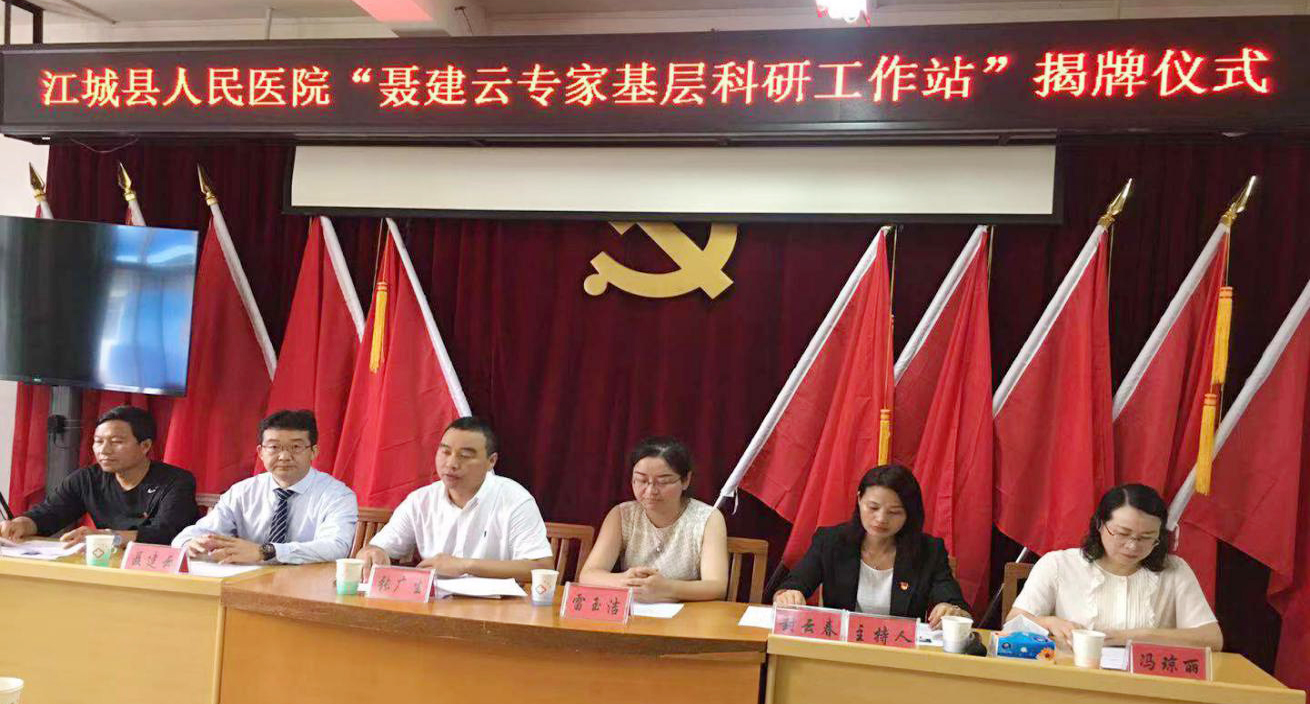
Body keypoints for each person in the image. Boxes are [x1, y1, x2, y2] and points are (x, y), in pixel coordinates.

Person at [1008, 483, 1223, 651]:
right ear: (1100, 525)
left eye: (1146, 537)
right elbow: (1013, 623)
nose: (1132, 546)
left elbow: (1212, 638)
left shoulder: (1175, 570)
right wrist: (1048, 622)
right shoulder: (1058, 564)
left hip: (1145, 685)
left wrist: (1135, 636)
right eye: (1122, 533)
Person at [355, 416, 553, 580]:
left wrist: (465, 565)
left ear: (491, 461)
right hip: (433, 605)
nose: (451, 463)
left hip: (495, 608)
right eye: (445, 452)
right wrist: (371, 552)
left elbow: (541, 567)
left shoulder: (515, 500)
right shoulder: (421, 500)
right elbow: (378, 547)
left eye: (465, 455)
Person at [772, 464, 970, 627]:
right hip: (840, 650)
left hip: (900, 655)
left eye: (894, 512)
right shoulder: (831, 541)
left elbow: (959, 608)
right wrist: (789, 595)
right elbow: (792, 586)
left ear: (909, 514)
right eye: (873, 507)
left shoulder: (929, 551)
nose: (881, 519)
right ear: (859, 499)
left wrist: (951, 611)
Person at [171, 410, 358, 564]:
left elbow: (335, 547)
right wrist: (191, 543)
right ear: (261, 452)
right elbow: (191, 535)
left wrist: (266, 551)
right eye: (274, 447)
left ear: (314, 452)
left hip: (307, 584)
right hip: (244, 581)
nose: (284, 456)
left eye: (295, 447)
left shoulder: (337, 495)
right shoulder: (242, 491)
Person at [0, 406, 197, 546]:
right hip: (106, 562)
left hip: (156, 569)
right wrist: (20, 524)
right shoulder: (87, 479)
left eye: (116, 442)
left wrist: (106, 537)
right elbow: (49, 514)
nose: (104, 450)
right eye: (98, 441)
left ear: (145, 446)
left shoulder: (176, 481)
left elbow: (167, 534)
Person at [578, 437, 728, 602]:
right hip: (635, 610)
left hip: (687, 613)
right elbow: (588, 575)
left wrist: (667, 588)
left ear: (686, 480)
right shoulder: (622, 514)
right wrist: (626, 581)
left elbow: (716, 587)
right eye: (641, 480)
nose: (650, 491)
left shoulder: (707, 518)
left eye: (663, 482)